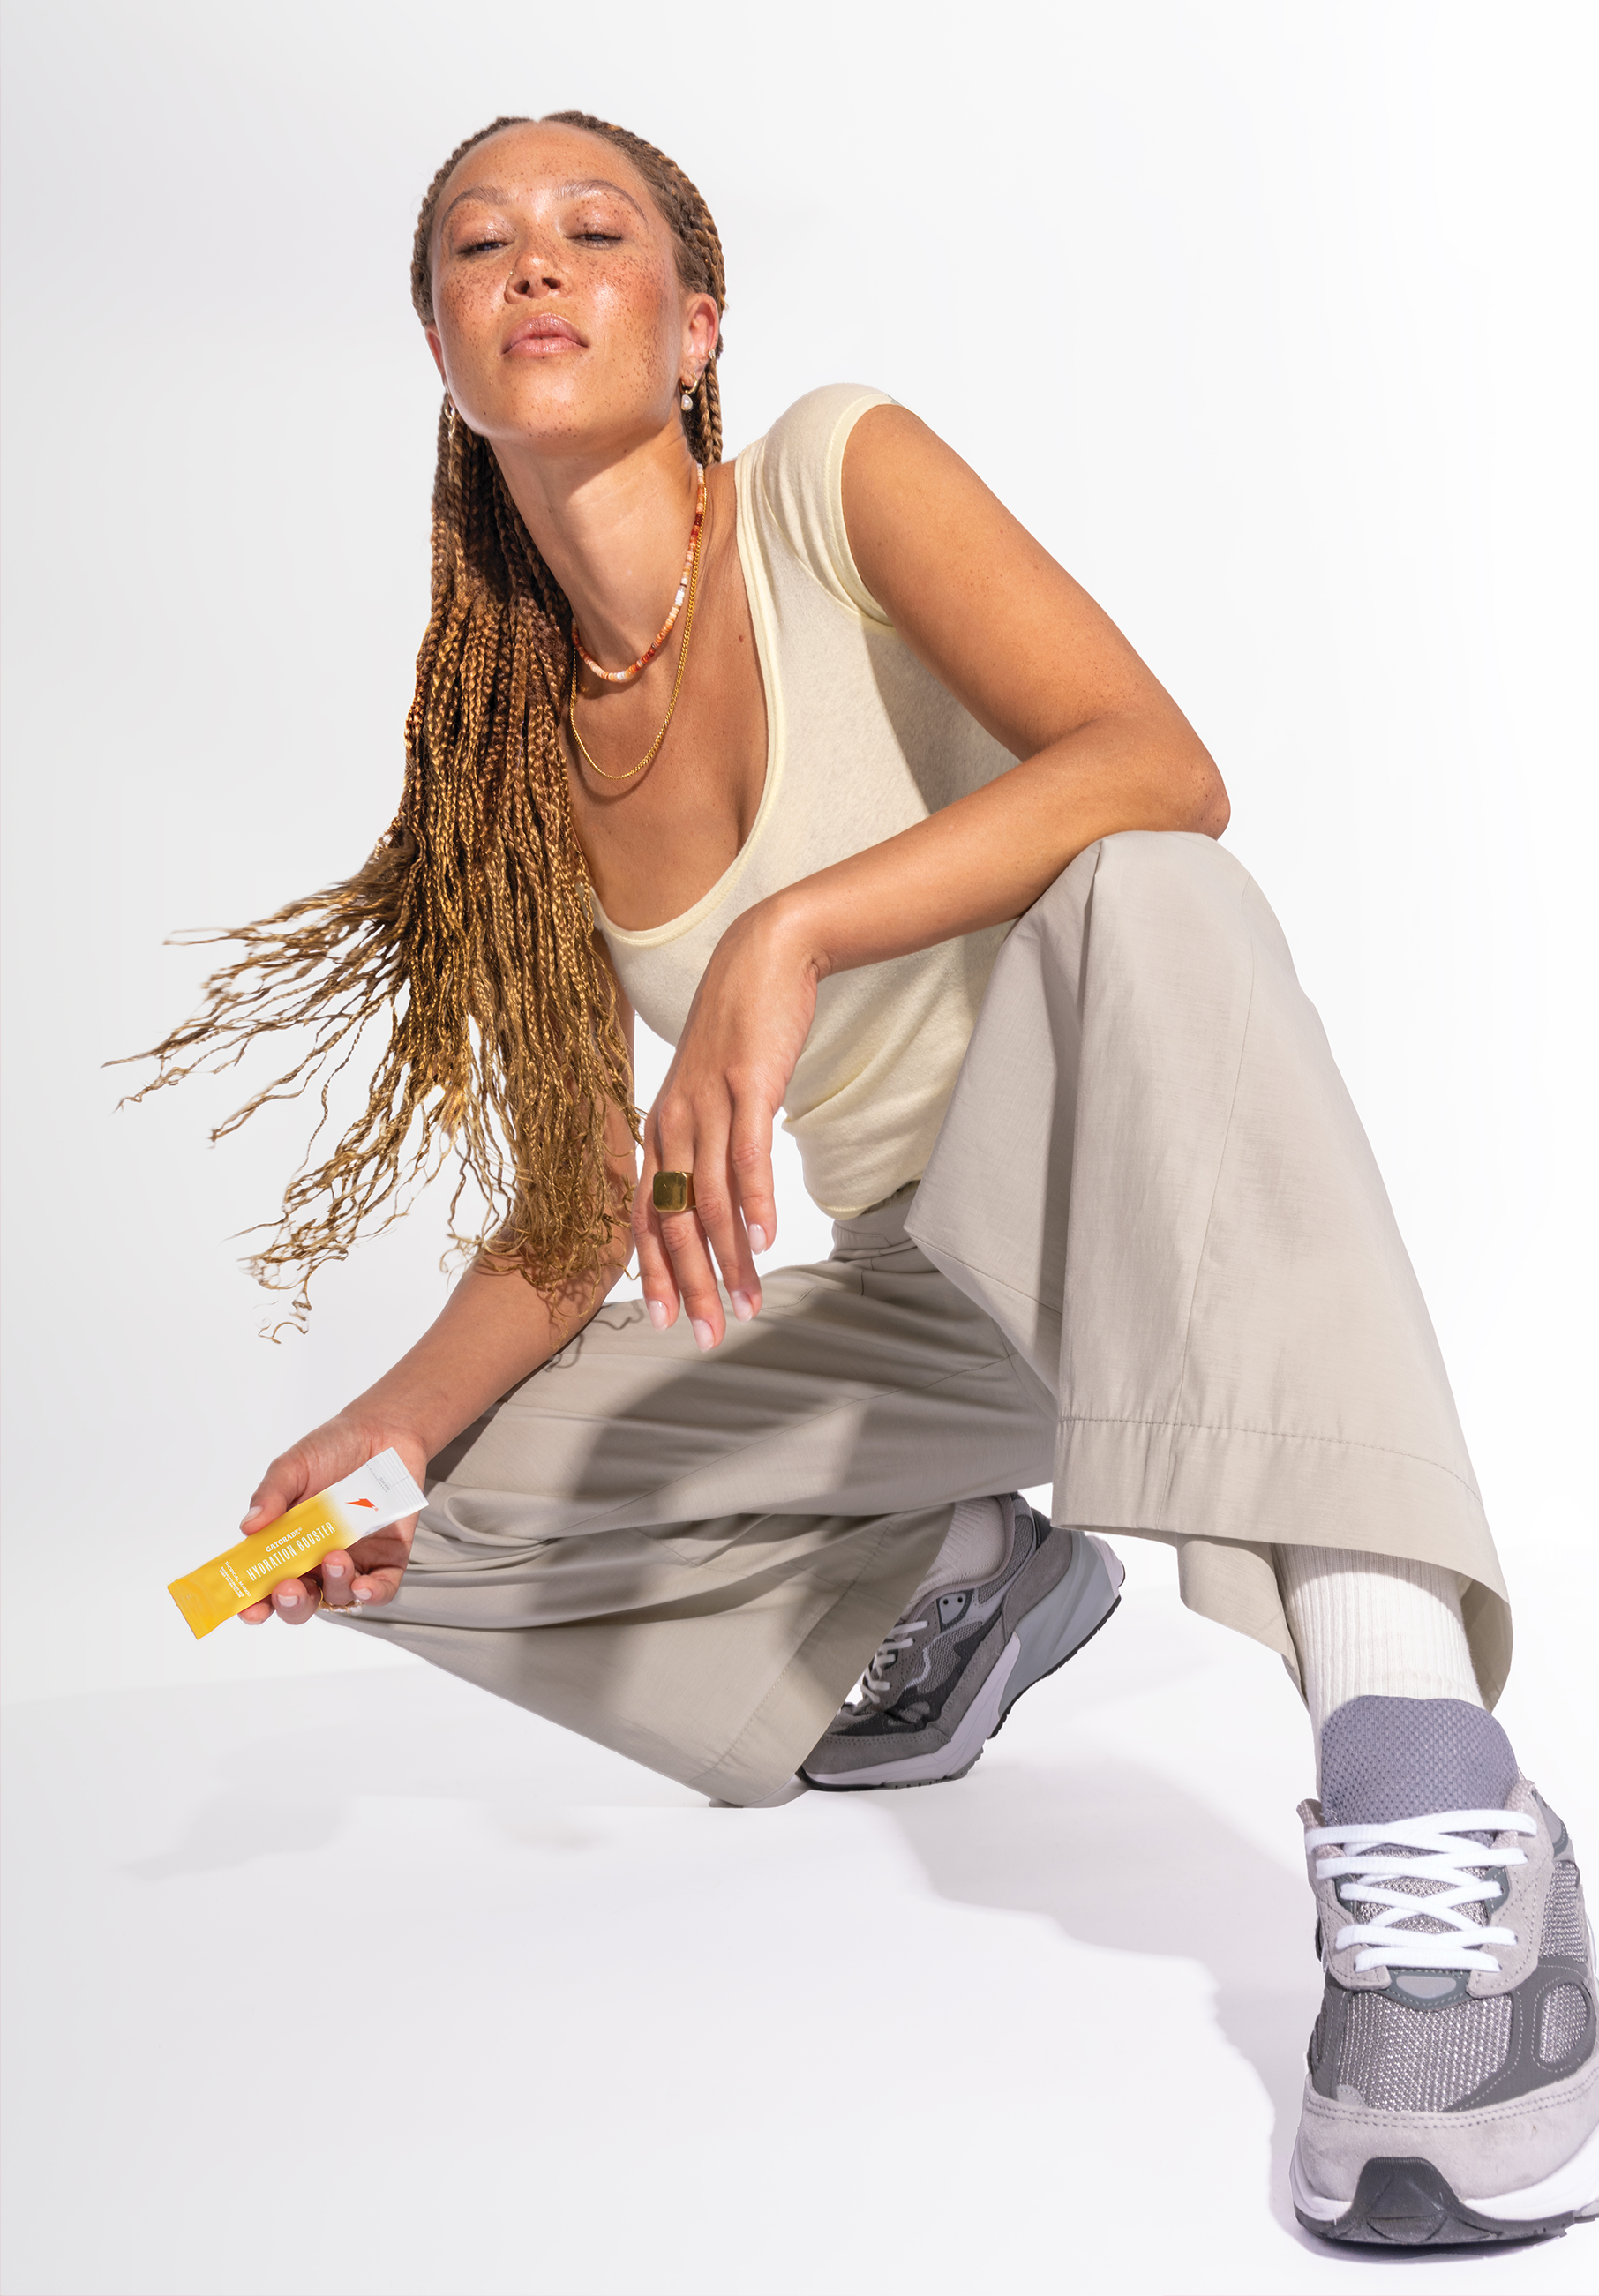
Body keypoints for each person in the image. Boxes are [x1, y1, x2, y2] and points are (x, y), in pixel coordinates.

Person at [137, 112, 1597, 2248]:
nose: (535, 266)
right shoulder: (512, 747)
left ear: (692, 321)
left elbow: (1158, 756)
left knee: (1150, 892)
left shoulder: (831, 472)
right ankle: (952, 1578)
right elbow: (569, 1214)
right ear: (442, 346)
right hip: (946, 1292)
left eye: (593, 231)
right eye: (479, 246)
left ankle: (1428, 1799)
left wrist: (782, 930)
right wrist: (388, 1429)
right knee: (446, 1522)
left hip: (1142, 1161)